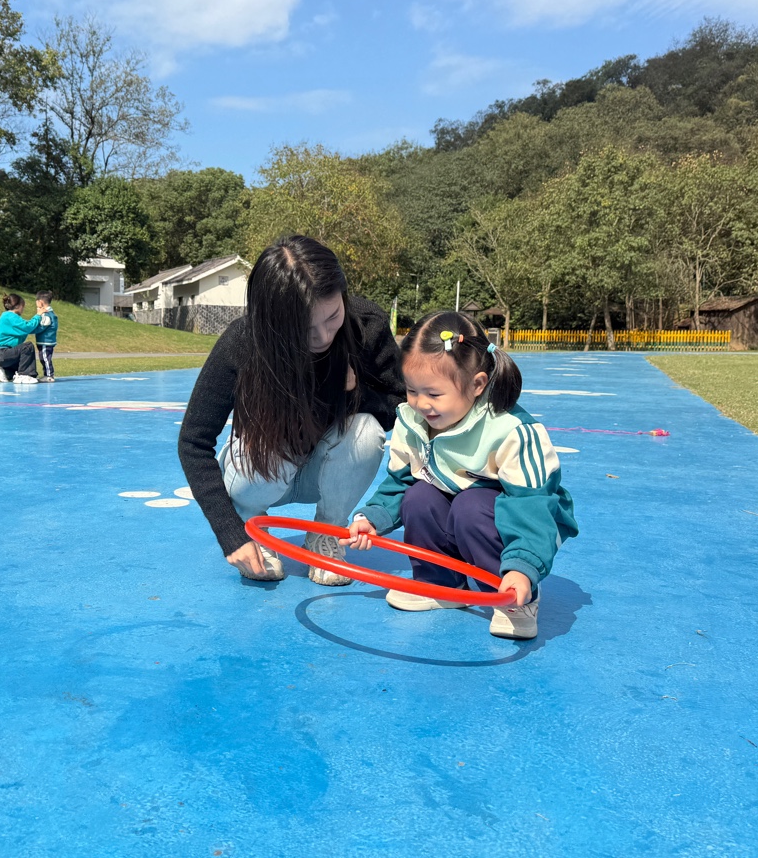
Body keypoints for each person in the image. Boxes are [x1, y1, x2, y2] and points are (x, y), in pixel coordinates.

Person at [177, 235, 403, 584]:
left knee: (366, 431)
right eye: (304, 329)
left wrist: (353, 392)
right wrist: (231, 534)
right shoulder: (243, 341)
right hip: (259, 471)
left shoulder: (365, 325)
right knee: (272, 436)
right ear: (272, 321)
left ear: (343, 295)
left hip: (325, 469)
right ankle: (253, 527)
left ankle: (326, 534)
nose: (323, 337)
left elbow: (400, 403)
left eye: (332, 317)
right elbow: (193, 442)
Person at [341, 312, 577, 640]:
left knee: (471, 505)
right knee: (419, 496)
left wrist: (523, 567)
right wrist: (373, 518)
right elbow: (400, 482)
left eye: (434, 394)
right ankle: (441, 584)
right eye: (412, 390)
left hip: (518, 514)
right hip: (457, 502)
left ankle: (513, 596)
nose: (421, 403)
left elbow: (533, 506)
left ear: (477, 384)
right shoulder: (412, 421)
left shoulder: (511, 431)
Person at [0, 293, 39, 384]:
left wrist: (43, 326)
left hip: (3, 354)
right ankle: (24, 375)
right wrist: (38, 316)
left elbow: (29, 329)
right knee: (27, 347)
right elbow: (27, 327)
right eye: (23, 306)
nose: (23, 309)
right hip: (3, 353)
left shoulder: (8, 316)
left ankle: (6, 371)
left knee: (21, 365)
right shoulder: (10, 316)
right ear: (19, 306)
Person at [34, 290, 58, 382]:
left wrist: (30, 330)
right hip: (46, 341)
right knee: (44, 358)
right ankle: (47, 374)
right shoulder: (50, 313)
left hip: (46, 341)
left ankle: (49, 375)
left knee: (45, 358)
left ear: (40, 302)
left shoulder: (47, 314)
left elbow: (42, 326)